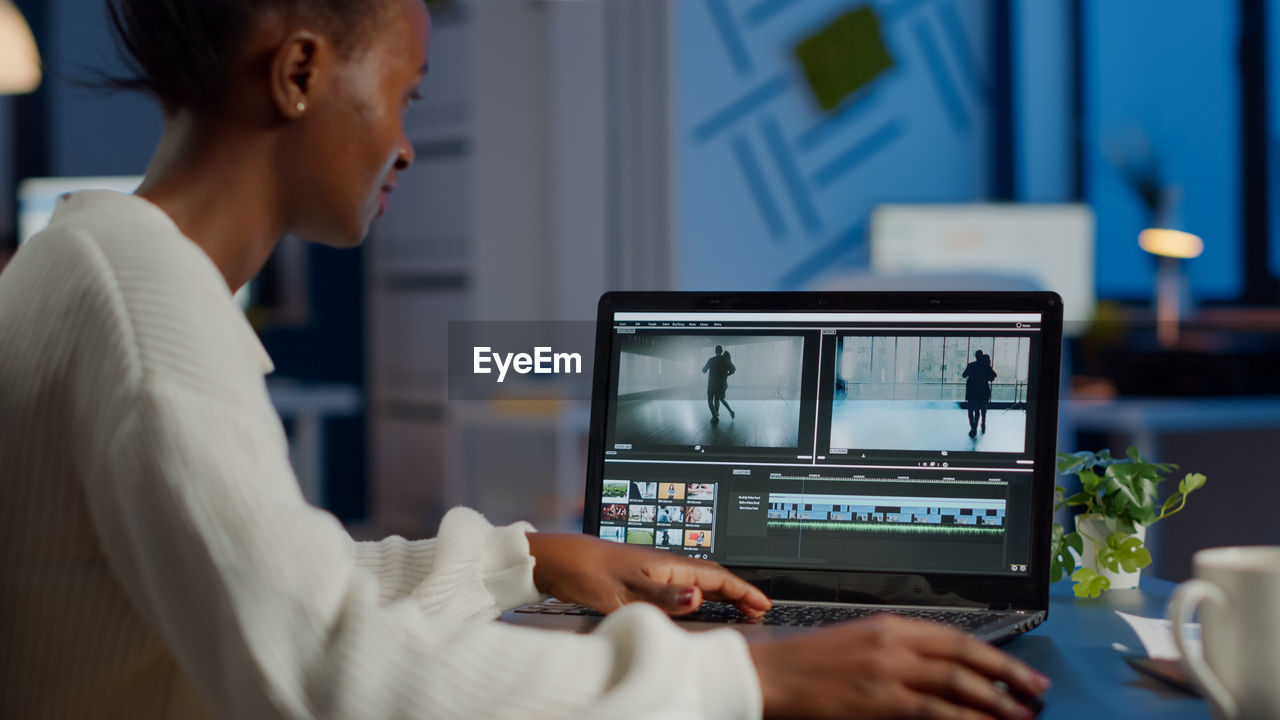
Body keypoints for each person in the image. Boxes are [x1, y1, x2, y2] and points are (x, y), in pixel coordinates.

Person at [0, 1, 1048, 718]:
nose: (405, 143)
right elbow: (325, 671)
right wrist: (749, 686)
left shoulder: (86, 263)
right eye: (404, 94)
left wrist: (528, 557)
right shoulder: (146, 307)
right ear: (301, 71)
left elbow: (249, 583)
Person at [963, 349, 998, 438]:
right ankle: (982, 424)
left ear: (976, 356)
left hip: (971, 392)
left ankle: (973, 428)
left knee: (971, 411)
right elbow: (992, 377)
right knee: (980, 410)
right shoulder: (986, 366)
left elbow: (964, 375)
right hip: (983, 392)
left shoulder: (971, 365)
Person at [701, 345, 736, 422]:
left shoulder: (711, 360)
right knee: (717, 399)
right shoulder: (725, 360)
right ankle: (716, 413)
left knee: (710, 400)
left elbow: (703, 370)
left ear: (715, 351)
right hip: (721, 384)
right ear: (721, 351)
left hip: (712, 384)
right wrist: (725, 375)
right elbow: (733, 370)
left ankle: (714, 416)